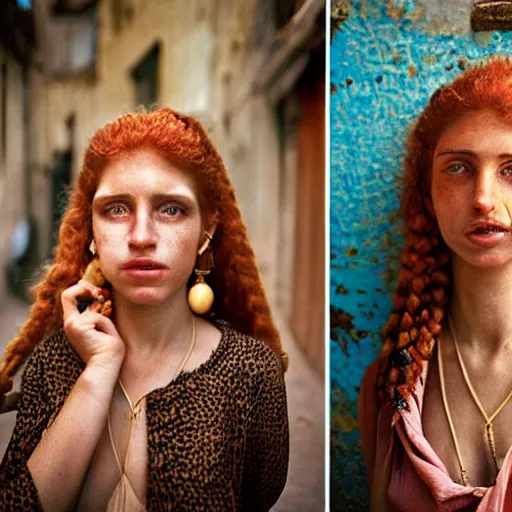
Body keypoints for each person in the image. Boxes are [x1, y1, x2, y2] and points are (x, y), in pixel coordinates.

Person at [0, 108, 289, 511]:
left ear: (206, 229)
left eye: (171, 208)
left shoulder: (252, 372)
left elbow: (259, 496)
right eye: (116, 208)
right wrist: (99, 370)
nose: (141, 236)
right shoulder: (52, 364)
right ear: (93, 233)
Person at [359, 57, 512, 511]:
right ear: (427, 192)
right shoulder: (390, 387)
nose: (484, 199)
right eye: (459, 168)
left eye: (511, 169)